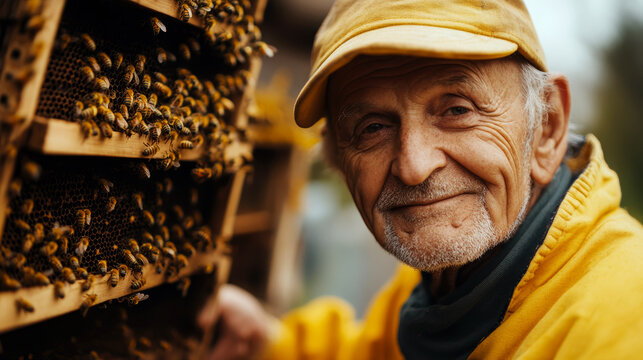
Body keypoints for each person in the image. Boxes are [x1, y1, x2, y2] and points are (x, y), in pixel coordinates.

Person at [198, 0, 643, 359]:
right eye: (372, 127)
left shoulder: (624, 320)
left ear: (545, 127)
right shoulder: (447, 278)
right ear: (336, 158)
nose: (413, 167)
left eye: (457, 109)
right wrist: (271, 346)